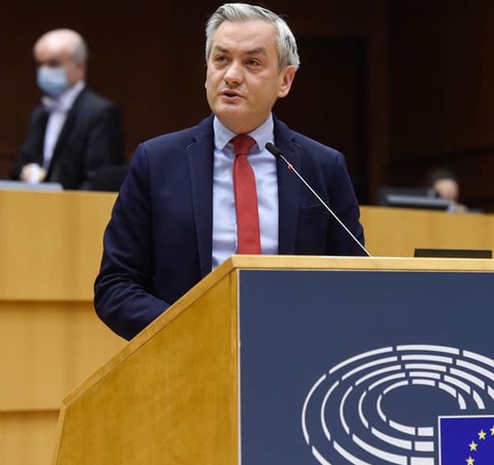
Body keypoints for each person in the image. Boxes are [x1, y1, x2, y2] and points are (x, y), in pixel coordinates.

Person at [94, 3, 366, 340]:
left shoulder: (322, 166)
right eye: (221, 59)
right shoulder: (156, 161)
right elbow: (116, 285)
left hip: (296, 354)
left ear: (285, 80)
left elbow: (355, 283)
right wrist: (192, 330)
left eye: (252, 63)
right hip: (188, 354)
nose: (232, 75)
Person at [10, 29, 124, 189]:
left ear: (80, 67)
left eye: (53, 64)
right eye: (40, 64)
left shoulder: (102, 113)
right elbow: (20, 164)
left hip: (77, 203)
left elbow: (100, 179)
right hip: (37, 200)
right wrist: (26, 171)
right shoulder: (40, 113)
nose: (44, 71)